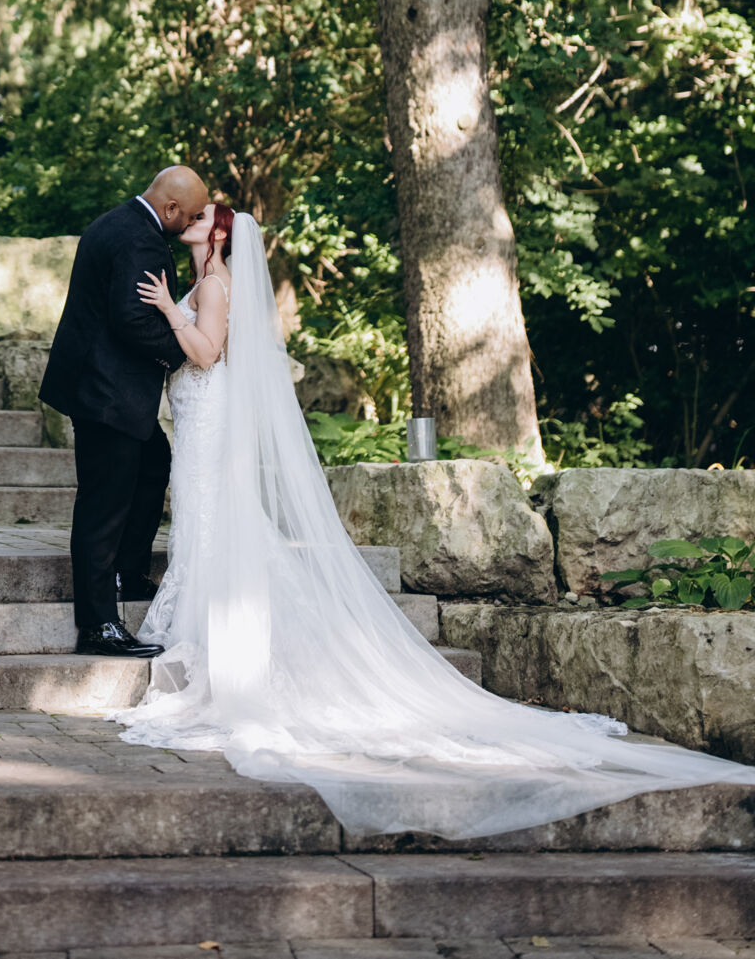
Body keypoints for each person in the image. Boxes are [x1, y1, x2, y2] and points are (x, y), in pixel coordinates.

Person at [125, 203, 755, 840]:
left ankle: (229, 655)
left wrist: (169, 310)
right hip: (202, 423)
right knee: (210, 528)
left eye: (202, 215)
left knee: (214, 527)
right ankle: (221, 641)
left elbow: (207, 353)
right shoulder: (210, 282)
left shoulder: (212, 285)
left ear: (221, 233)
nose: (192, 219)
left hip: (208, 423)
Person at [40, 166, 211, 658]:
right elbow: (133, 319)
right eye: (190, 215)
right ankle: (98, 625)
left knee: (153, 463)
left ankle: (129, 573)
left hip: (101, 386)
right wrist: (183, 355)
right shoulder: (142, 240)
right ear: (170, 208)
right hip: (107, 393)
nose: (192, 223)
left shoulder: (115, 222)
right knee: (103, 505)